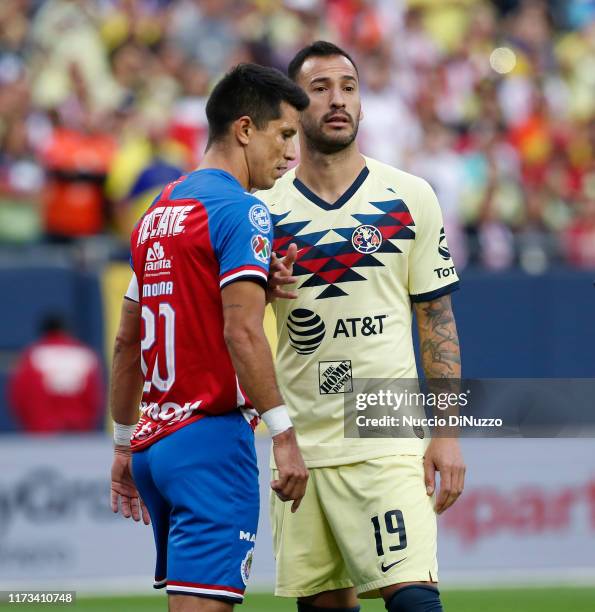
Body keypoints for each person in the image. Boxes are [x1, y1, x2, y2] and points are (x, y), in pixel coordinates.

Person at [258, 42, 466, 612]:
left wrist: (446, 435)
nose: (337, 100)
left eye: (348, 87)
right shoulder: (263, 209)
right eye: (320, 88)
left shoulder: (409, 196)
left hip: (385, 426)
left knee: (413, 598)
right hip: (300, 438)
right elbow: (239, 327)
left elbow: (437, 320)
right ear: (293, 107)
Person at [109, 63, 309, 612]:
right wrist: (283, 434)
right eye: (284, 134)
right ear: (245, 129)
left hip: (155, 443)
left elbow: (128, 343)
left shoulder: (158, 212)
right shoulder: (244, 210)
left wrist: (124, 442)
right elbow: (240, 331)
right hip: (210, 442)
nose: (292, 153)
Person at [8, 314, 103, 432]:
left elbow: (19, 397)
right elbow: (95, 399)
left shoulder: (31, 356)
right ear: (67, 331)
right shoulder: (86, 355)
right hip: (80, 433)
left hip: (41, 434)